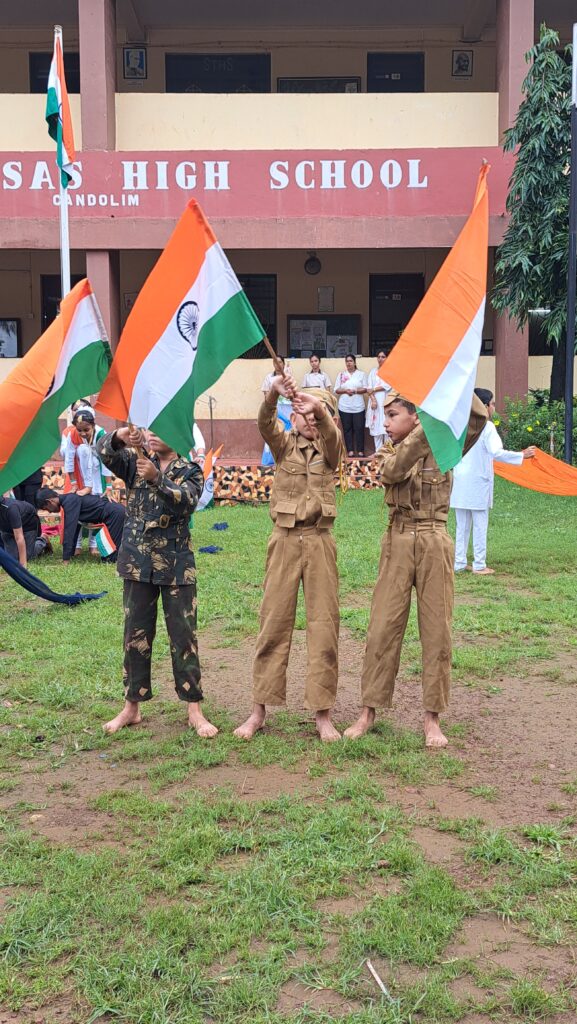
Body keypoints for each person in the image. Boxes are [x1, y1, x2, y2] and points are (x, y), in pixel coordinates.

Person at [344, 390, 487, 749]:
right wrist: (427, 429)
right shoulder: (388, 451)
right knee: (382, 628)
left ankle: (432, 718)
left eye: (393, 415)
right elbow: (392, 472)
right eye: (385, 416)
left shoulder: (446, 446)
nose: (385, 423)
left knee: (437, 631)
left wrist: (450, 378)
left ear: (415, 415)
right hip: (398, 539)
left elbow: (478, 418)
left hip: (434, 539)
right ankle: (368, 711)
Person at [234, 379, 345, 744]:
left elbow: (332, 437)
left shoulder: (331, 447)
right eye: (303, 414)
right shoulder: (283, 445)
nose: (309, 420)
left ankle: (322, 713)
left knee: (323, 627)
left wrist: (320, 411)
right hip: (283, 540)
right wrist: (273, 393)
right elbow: (265, 423)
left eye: (317, 414)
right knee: (273, 623)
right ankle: (258, 710)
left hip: (319, 541)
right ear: (293, 416)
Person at [94, 426, 218, 739]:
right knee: (135, 635)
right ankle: (131, 706)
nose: (152, 434)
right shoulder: (135, 462)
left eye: (161, 429)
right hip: (137, 562)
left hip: (176, 564)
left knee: (183, 636)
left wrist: (157, 478)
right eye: (150, 429)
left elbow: (186, 501)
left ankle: (193, 708)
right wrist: (121, 436)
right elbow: (103, 453)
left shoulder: (190, 470)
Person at [451, 387, 535, 575]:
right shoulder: (486, 427)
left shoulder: (460, 425)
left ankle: (459, 562)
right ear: (484, 406)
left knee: (462, 525)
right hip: (477, 480)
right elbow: (496, 452)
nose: (494, 407)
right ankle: (479, 564)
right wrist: (521, 455)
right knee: (479, 523)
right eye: (493, 403)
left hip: (460, 479)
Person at [35, 487, 125, 565]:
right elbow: (75, 529)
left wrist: (65, 560)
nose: (49, 511)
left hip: (115, 514)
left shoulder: (70, 501)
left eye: (46, 508)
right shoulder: (68, 500)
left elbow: (69, 531)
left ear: (50, 501)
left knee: (110, 559)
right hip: (114, 514)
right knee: (111, 555)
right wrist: (69, 555)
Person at [334, 354, 367, 457]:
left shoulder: (361, 374)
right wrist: (345, 391)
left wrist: (355, 391)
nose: (348, 363)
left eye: (350, 361)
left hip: (358, 407)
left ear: (355, 362)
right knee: (347, 429)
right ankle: (350, 450)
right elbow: (336, 390)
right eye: (347, 361)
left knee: (359, 428)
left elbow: (365, 388)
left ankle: (360, 451)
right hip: (344, 407)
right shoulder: (341, 375)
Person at [0, 497, 47, 567]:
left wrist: (23, 564)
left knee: (26, 556)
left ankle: (43, 540)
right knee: (12, 558)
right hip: (7, 529)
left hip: (27, 525)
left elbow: (19, 537)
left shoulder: (11, 508)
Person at [365, 350, 391, 451]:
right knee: (376, 427)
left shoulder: (390, 371)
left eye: (383, 357)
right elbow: (369, 388)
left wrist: (374, 389)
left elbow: (387, 386)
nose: (380, 359)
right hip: (375, 403)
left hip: (386, 402)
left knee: (386, 427)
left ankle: (387, 453)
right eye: (379, 357)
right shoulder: (373, 371)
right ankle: (378, 452)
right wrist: (373, 400)